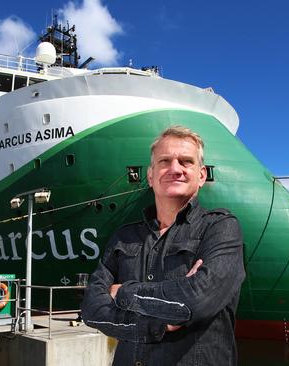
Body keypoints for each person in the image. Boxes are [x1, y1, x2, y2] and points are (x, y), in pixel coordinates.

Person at [81, 126, 246, 365]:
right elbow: (91, 310)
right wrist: (158, 322)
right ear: (150, 176)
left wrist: (122, 292)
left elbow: (195, 301)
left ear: (201, 176)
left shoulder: (221, 228)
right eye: (165, 161)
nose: (175, 169)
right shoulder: (123, 237)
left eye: (186, 162)